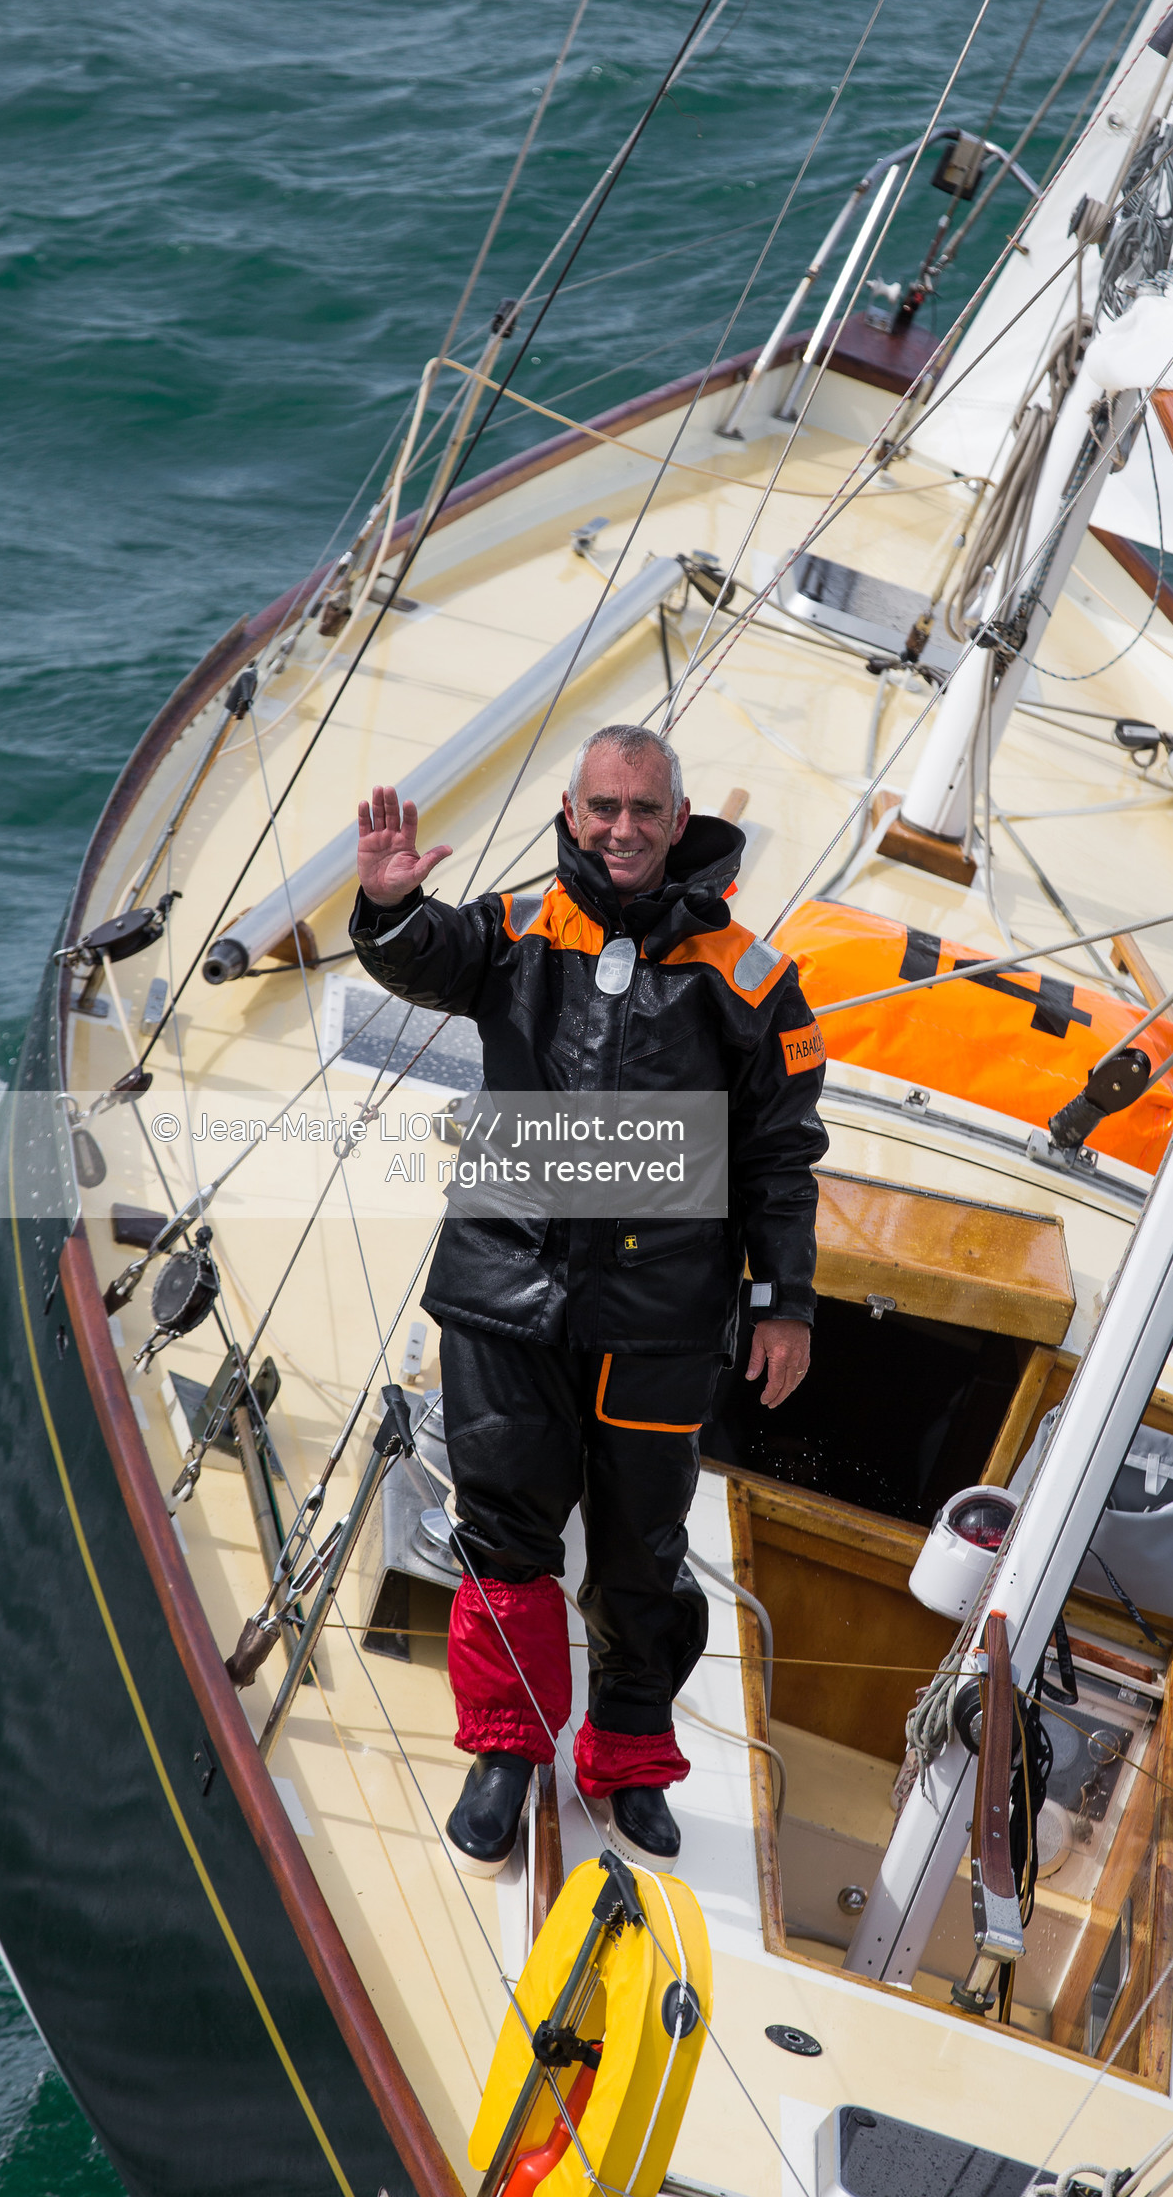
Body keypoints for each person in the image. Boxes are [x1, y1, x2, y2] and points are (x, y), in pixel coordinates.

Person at [350, 724, 826, 1872]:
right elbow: (419, 959)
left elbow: (780, 1155)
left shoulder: (751, 979)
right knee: (504, 1532)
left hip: (661, 1314)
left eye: (643, 810)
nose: (621, 829)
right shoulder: (514, 929)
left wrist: (783, 1302)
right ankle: (507, 1748)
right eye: (602, 808)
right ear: (571, 814)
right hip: (505, 1290)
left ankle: (628, 1753)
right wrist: (388, 906)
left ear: (679, 820)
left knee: (640, 1546)